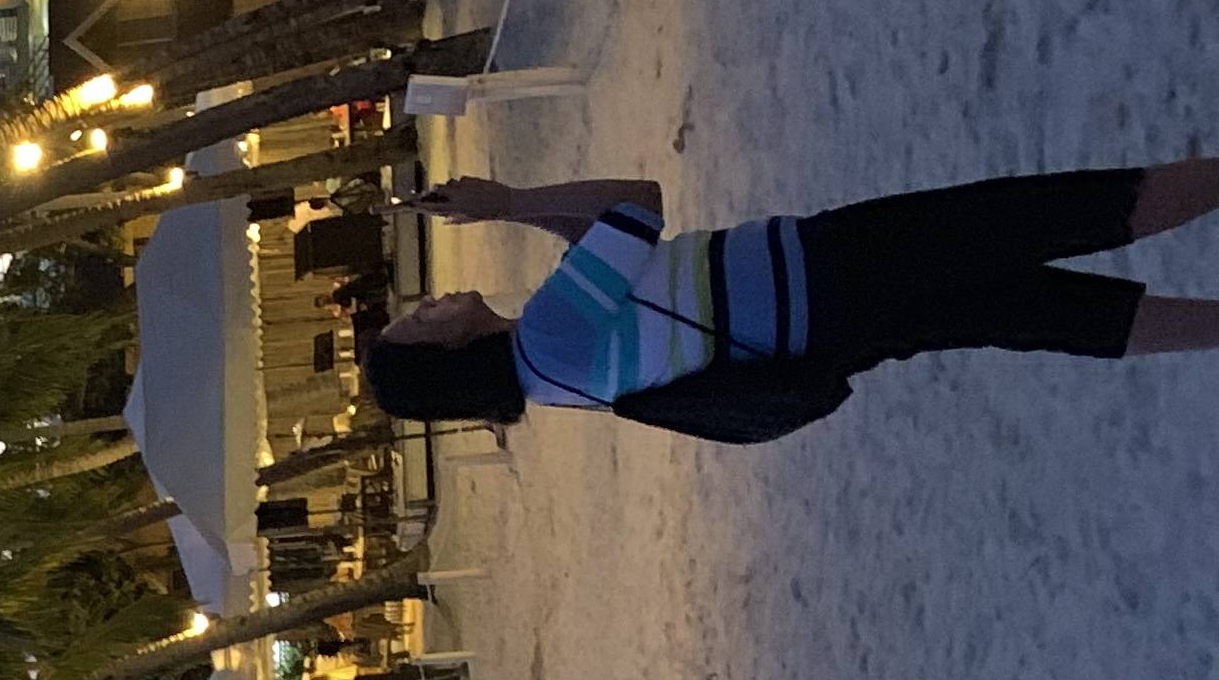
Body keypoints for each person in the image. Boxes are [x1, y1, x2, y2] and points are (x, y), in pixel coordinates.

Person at [366, 162, 1219, 439]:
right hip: (833, 272)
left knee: (1042, 313)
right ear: (446, 351)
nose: (431, 301)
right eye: (421, 319)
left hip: (832, 325)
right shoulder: (549, 333)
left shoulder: (552, 371)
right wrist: (508, 201)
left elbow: (618, 257)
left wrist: (520, 210)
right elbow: (638, 203)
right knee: (1057, 215)